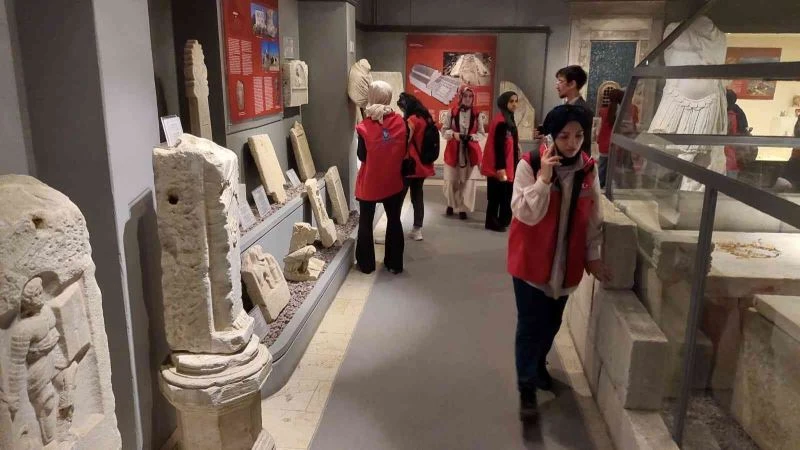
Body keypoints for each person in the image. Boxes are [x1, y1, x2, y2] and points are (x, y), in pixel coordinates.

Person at [508, 104, 611, 421]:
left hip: (566, 265)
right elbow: (524, 213)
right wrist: (543, 179)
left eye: (578, 135)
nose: (572, 143)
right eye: (564, 136)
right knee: (530, 325)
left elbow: (593, 218)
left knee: (552, 323)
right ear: (551, 136)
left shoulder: (587, 169)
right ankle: (526, 386)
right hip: (531, 263)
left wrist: (593, 257)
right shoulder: (530, 163)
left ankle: (538, 365)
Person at [355, 81, 407, 274]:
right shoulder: (400, 122)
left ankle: (366, 265)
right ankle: (394, 263)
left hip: (371, 181)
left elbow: (362, 156)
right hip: (393, 181)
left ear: (372, 96)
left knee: (366, 222)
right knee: (394, 220)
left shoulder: (364, 126)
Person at [442, 85, 484, 220]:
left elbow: (481, 133)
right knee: (451, 180)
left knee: (467, 181)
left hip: (469, 152)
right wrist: (454, 135)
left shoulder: (477, 114)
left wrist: (472, 137)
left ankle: (462, 208)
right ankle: (451, 203)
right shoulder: (452, 112)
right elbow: (444, 130)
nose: (468, 99)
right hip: (454, 150)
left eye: (470, 96)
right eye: (465, 96)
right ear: (460, 96)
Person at [397, 92, 436, 241]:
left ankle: (394, 231)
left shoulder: (412, 120)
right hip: (423, 165)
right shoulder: (426, 118)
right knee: (417, 197)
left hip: (410, 165)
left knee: (399, 198)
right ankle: (417, 229)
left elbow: (405, 141)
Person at [481, 91, 520, 232]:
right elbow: (498, 147)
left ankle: (502, 220)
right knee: (496, 195)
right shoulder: (501, 122)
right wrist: (500, 168)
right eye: (511, 101)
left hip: (506, 165)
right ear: (504, 103)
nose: (514, 104)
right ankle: (492, 222)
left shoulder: (508, 119)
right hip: (499, 167)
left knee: (504, 193)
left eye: (516, 101)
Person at [535, 66, 593, 156]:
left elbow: (583, 145)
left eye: (560, 81)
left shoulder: (583, 110)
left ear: (572, 84)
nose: (557, 86)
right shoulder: (565, 108)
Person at [597, 88, 640, 188]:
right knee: (622, 169)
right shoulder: (631, 109)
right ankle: (626, 187)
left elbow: (601, 128)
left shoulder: (603, 111)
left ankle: (599, 188)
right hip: (620, 144)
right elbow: (634, 126)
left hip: (604, 144)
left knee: (602, 169)